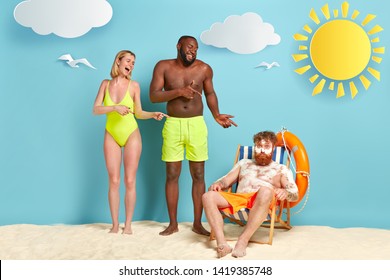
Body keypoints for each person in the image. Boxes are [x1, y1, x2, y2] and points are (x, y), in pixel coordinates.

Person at [149, 35, 237, 236]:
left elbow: (210, 94)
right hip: (173, 124)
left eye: (196, 49)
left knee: (198, 175)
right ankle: (173, 224)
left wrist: (216, 115)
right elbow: (154, 95)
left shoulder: (204, 68)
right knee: (172, 174)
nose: (193, 51)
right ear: (178, 46)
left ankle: (198, 224)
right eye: (189, 47)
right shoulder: (163, 66)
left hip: (197, 124)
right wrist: (179, 91)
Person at [93, 50, 168, 234]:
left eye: (134, 62)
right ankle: (115, 225)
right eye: (128, 61)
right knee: (114, 180)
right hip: (111, 133)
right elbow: (96, 109)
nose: (131, 65)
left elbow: (138, 112)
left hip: (131, 133)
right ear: (118, 61)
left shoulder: (134, 86)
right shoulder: (105, 84)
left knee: (129, 180)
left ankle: (128, 225)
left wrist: (152, 115)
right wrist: (114, 107)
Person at [202, 131, 299, 258]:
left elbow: (295, 193)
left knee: (265, 190)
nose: (262, 150)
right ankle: (222, 244)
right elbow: (226, 180)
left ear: (273, 148)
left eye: (266, 147)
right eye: (259, 146)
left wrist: (286, 192)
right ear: (254, 147)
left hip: (262, 201)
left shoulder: (281, 169)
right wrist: (219, 184)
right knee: (207, 196)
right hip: (239, 199)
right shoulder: (244, 163)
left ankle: (243, 240)